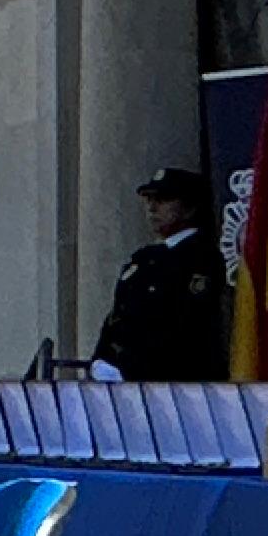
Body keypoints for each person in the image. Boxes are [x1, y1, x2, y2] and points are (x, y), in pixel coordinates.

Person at [94, 164, 226, 383]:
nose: (152, 208)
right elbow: (117, 317)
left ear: (189, 207)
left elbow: (184, 325)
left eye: (163, 200)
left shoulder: (201, 257)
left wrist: (131, 368)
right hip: (126, 381)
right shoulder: (143, 258)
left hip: (173, 381)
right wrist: (101, 359)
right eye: (149, 200)